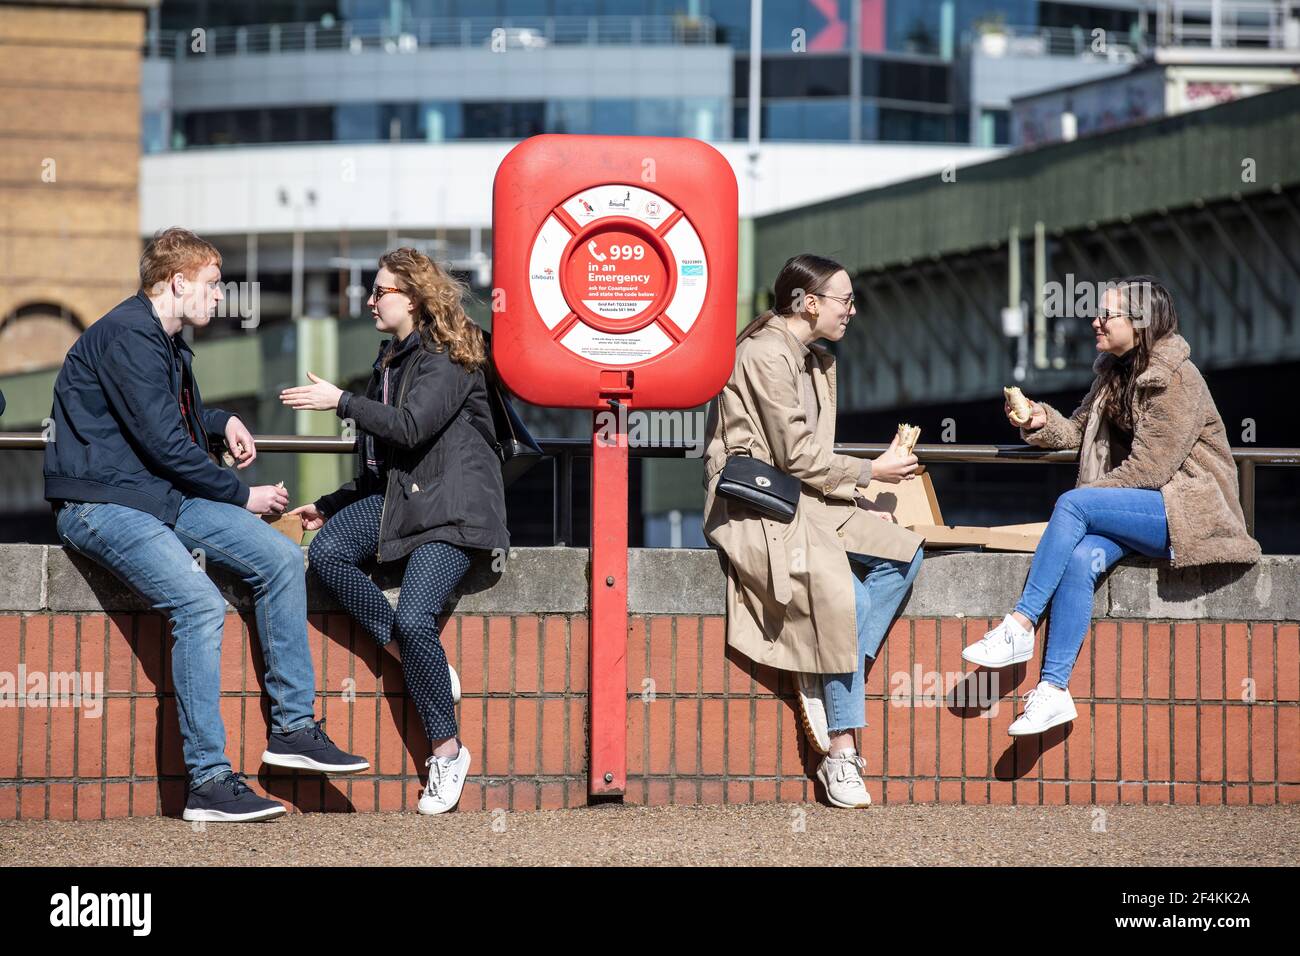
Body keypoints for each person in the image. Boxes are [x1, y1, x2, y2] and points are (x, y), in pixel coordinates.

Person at [45, 227, 369, 823]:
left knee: (276, 560)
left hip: (157, 496)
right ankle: (209, 782)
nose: (222, 297)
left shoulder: (166, 344)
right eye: (213, 285)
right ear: (177, 282)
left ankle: (293, 730)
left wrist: (221, 422)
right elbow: (164, 443)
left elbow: (172, 426)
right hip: (103, 504)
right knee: (197, 604)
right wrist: (242, 494)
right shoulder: (126, 335)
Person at [964, 275, 1261, 734]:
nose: (1094, 320)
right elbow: (1079, 432)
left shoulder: (1176, 378)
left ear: (1140, 324)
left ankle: (1020, 625)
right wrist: (1042, 421)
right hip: (1142, 507)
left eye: (1107, 314)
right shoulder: (1113, 371)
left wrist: (1088, 500)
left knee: (1073, 505)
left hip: (1185, 511)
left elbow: (1149, 471)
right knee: (1081, 558)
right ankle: (1053, 690)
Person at [282, 248, 509, 815]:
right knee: (328, 552)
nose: (370, 301)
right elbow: (382, 467)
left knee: (414, 616)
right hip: (405, 503)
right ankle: (410, 655)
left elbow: (410, 428)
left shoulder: (450, 354)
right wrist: (330, 505)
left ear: (414, 296)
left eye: (380, 291)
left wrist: (340, 402)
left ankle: (448, 751)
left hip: (455, 512)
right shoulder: (390, 360)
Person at [702, 253, 925, 809]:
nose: (852, 310)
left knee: (904, 555)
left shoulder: (809, 358)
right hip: (762, 506)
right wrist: (873, 472)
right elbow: (798, 456)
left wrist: (858, 492)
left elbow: (811, 460)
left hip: (807, 501)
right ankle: (841, 754)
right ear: (808, 303)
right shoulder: (764, 354)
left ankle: (828, 678)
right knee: (843, 596)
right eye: (844, 299)